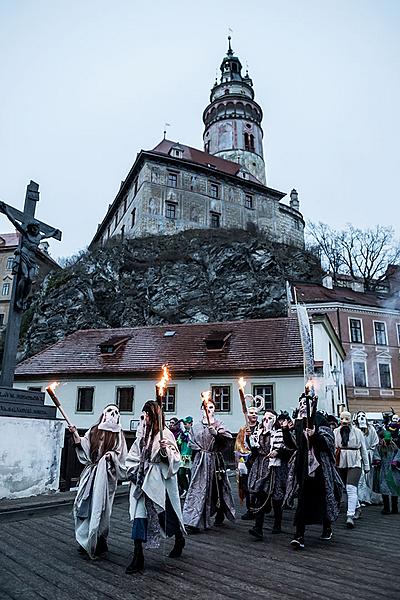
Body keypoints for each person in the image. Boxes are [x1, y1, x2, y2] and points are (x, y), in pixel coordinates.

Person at [125, 400, 185, 574]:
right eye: (144, 414)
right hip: (141, 480)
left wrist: (166, 453)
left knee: (167, 515)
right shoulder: (142, 434)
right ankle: (138, 556)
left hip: (159, 482)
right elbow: (134, 454)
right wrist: (133, 470)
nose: (145, 418)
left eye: (148, 414)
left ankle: (179, 538)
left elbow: (175, 458)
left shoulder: (165, 434)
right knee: (138, 516)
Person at [284, 393, 343, 549]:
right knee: (302, 500)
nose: (303, 405)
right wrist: (285, 431)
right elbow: (293, 444)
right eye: (301, 402)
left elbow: (328, 443)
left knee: (322, 497)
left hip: (320, 468)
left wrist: (314, 435)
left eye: (306, 403)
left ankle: (327, 526)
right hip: (303, 466)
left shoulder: (319, 419)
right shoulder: (297, 421)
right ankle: (299, 535)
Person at [69, 404, 127, 559]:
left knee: (101, 509)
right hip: (91, 473)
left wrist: (111, 457)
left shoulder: (118, 435)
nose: (113, 414)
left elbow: (121, 456)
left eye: (116, 411)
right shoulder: (94, 430)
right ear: (103, 413)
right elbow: (84, 445)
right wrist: (75, 434)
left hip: (106, 477)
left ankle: (100, 540)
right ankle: (84, 540)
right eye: (110, 411)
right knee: (83, 505)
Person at [182, 394, 235, 532]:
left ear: (214, 409)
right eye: (206, 407)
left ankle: (220, 512)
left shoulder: (219, 424)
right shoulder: (196, 426)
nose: (209, 409)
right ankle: (194, 521)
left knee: (217, 489)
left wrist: (216, 434)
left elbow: (227, 441)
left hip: (214, 460)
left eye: (211, 407)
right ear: (202, 409)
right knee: (198, 490)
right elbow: (192, 443)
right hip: (200, 462)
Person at [247, 410, 293, 540]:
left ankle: (277, 523)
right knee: (260, 496)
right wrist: (249, 438)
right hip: (261, 466)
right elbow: (254, 449)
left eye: (270, 418)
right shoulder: (258, 432)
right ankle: (258, 528)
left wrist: (277, 452)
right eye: (265, 418)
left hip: (274, 468)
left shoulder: (279, 433)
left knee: (276, 498)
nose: (266, 420)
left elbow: (287, 449)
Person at [334, 411, 369, 528]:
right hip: (340, 461)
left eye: (347, 419)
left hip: (355, 462)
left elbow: (363, 449)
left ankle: (350, 515)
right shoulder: (335, 432)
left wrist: (367, 465)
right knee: (344, 486)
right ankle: (357, 507)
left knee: (350, 488)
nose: (344, 421)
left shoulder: (358, 432)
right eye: (342, 419)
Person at [234, 396, 263, 520]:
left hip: (259, 461)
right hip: (247, 462)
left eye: (256, 413)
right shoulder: (243, 429)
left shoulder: (261, 428)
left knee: (259, 485)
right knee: (246, 486)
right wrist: (242, 459)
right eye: (251, 413)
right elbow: (238, 445)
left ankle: (259, 508)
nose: (254, 415)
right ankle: (249, 509)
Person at [353, 410, 381, 506]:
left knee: (369, 478)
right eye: (359, 416)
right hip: (358, 456)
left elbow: (375, 442)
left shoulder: (371, 429)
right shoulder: (354, 429)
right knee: (360, 478)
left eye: (363, 416)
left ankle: (369, 497)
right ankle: (362, 498)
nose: (361, 417)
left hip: (370, 455)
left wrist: (373, 454)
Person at [372, 429, 400, 515]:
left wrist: (395, 461)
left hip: (393, 471)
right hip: (383, 470)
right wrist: (377, 460)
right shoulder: (379, 447)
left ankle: (395, 508)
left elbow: (398, 454)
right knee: (384, 488)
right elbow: (376, 455)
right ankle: (386, 508)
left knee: (394, 488)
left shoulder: (394, 447)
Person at [176, 416, 193, 499]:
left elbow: (191, 441)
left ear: (191, 424)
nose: (185, 425)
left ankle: (190, 491)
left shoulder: (192, 432)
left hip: (190, 456)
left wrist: (184, 435)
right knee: (181, 473)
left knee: (190, 474)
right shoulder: (182, 433)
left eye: (186, 424)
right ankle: (186, 489)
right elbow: (178, 442)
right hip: (183, 455)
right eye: (184, 424)